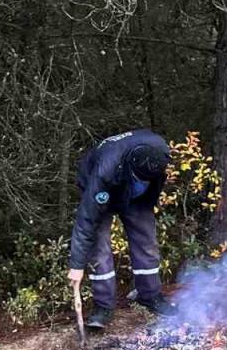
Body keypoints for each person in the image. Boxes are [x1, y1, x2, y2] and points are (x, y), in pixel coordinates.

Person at [67, 130, 177, 329]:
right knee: (99, 247)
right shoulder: (103, 173)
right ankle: (103, 306)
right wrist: (76, 266)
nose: (143, 182)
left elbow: (154, 186)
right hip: (105, 187)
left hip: (135, 197)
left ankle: (150, 296)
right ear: (131, 166)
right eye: (139, 178)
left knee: (146, 240)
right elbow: (86, 221)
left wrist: (145, 194)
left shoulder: (158, 156)